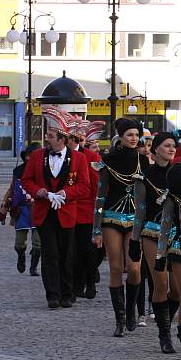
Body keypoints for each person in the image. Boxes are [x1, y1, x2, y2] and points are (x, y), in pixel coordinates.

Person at [20, 107, 92, 309]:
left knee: (67, 253)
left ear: (62, 139)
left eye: (50, 136)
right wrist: (39, 191)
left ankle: (67, 293)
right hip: (44, 213)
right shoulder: (37, 156)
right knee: (49, 254)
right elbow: (26, 180)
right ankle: (52, 295)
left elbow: (84, 186)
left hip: (67, 213)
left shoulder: (78, 159)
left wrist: (66, 193)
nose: (46, 139)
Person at [93, 118, 147, 335]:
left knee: (134, 269)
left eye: (136, 135)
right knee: (116, 268)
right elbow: (100, 195)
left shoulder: (144, 161)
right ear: (121, 137)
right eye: (129, 135)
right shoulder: (107, 160)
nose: (134, 138)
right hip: (111, 218)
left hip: (136, 219)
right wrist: (96, 229)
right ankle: (120, 319)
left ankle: (131, 307)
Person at [132, 132, 179, 353]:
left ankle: (165, 318)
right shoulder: (144, 177)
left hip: (177, 234)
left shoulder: (180, 174)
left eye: (174, 146)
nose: (172, 149)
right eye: (167, 145)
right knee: (160, 283)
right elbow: (139, 212)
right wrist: (134, 241)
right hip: (152, 232)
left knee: (178, 290)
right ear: (156, 149)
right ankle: (165, 334)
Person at [67, 120, 102, 300]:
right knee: (71, 251)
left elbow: (97, 185)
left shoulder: (92, 157)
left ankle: (90, 280)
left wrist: (98, 209)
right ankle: (75, 285)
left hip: (86, 209)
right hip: (66, 208)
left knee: (88, 250)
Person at [0, 143, 42, 275]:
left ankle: (33, 268)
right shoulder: (18, 171)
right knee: (19, 243)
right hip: (21, 211)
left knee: (38, 243)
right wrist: (5, 204)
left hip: (38, 209)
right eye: (29, 155)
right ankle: (21, 256)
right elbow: (12, 189)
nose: (30, 158)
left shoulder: (43, 172)